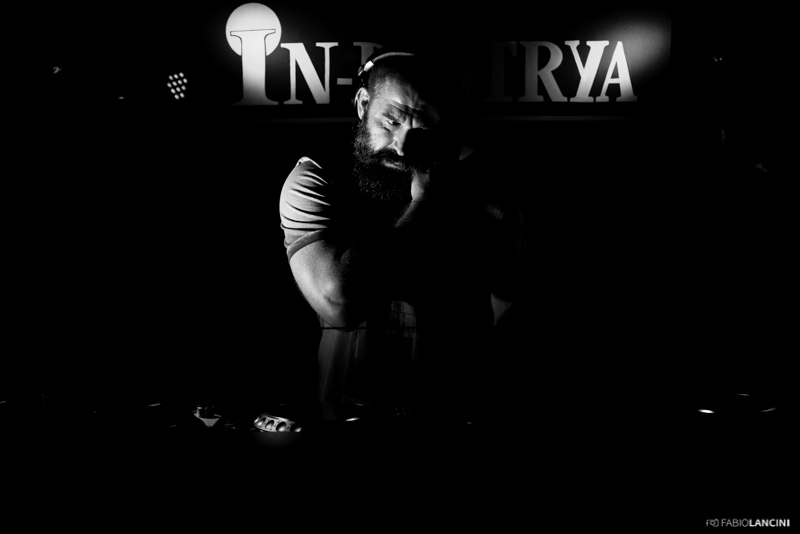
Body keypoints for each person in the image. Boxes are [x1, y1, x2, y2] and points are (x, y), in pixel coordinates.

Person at [278, 45, 526, 423]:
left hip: (452, 411)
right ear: (363, 104)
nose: (403, 147)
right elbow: (338, 303)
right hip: (344, 413)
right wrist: (427, 203)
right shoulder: (315, 179)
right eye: (391, 121)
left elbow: (510, 307)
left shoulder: (488, 188)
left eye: (423, 129)